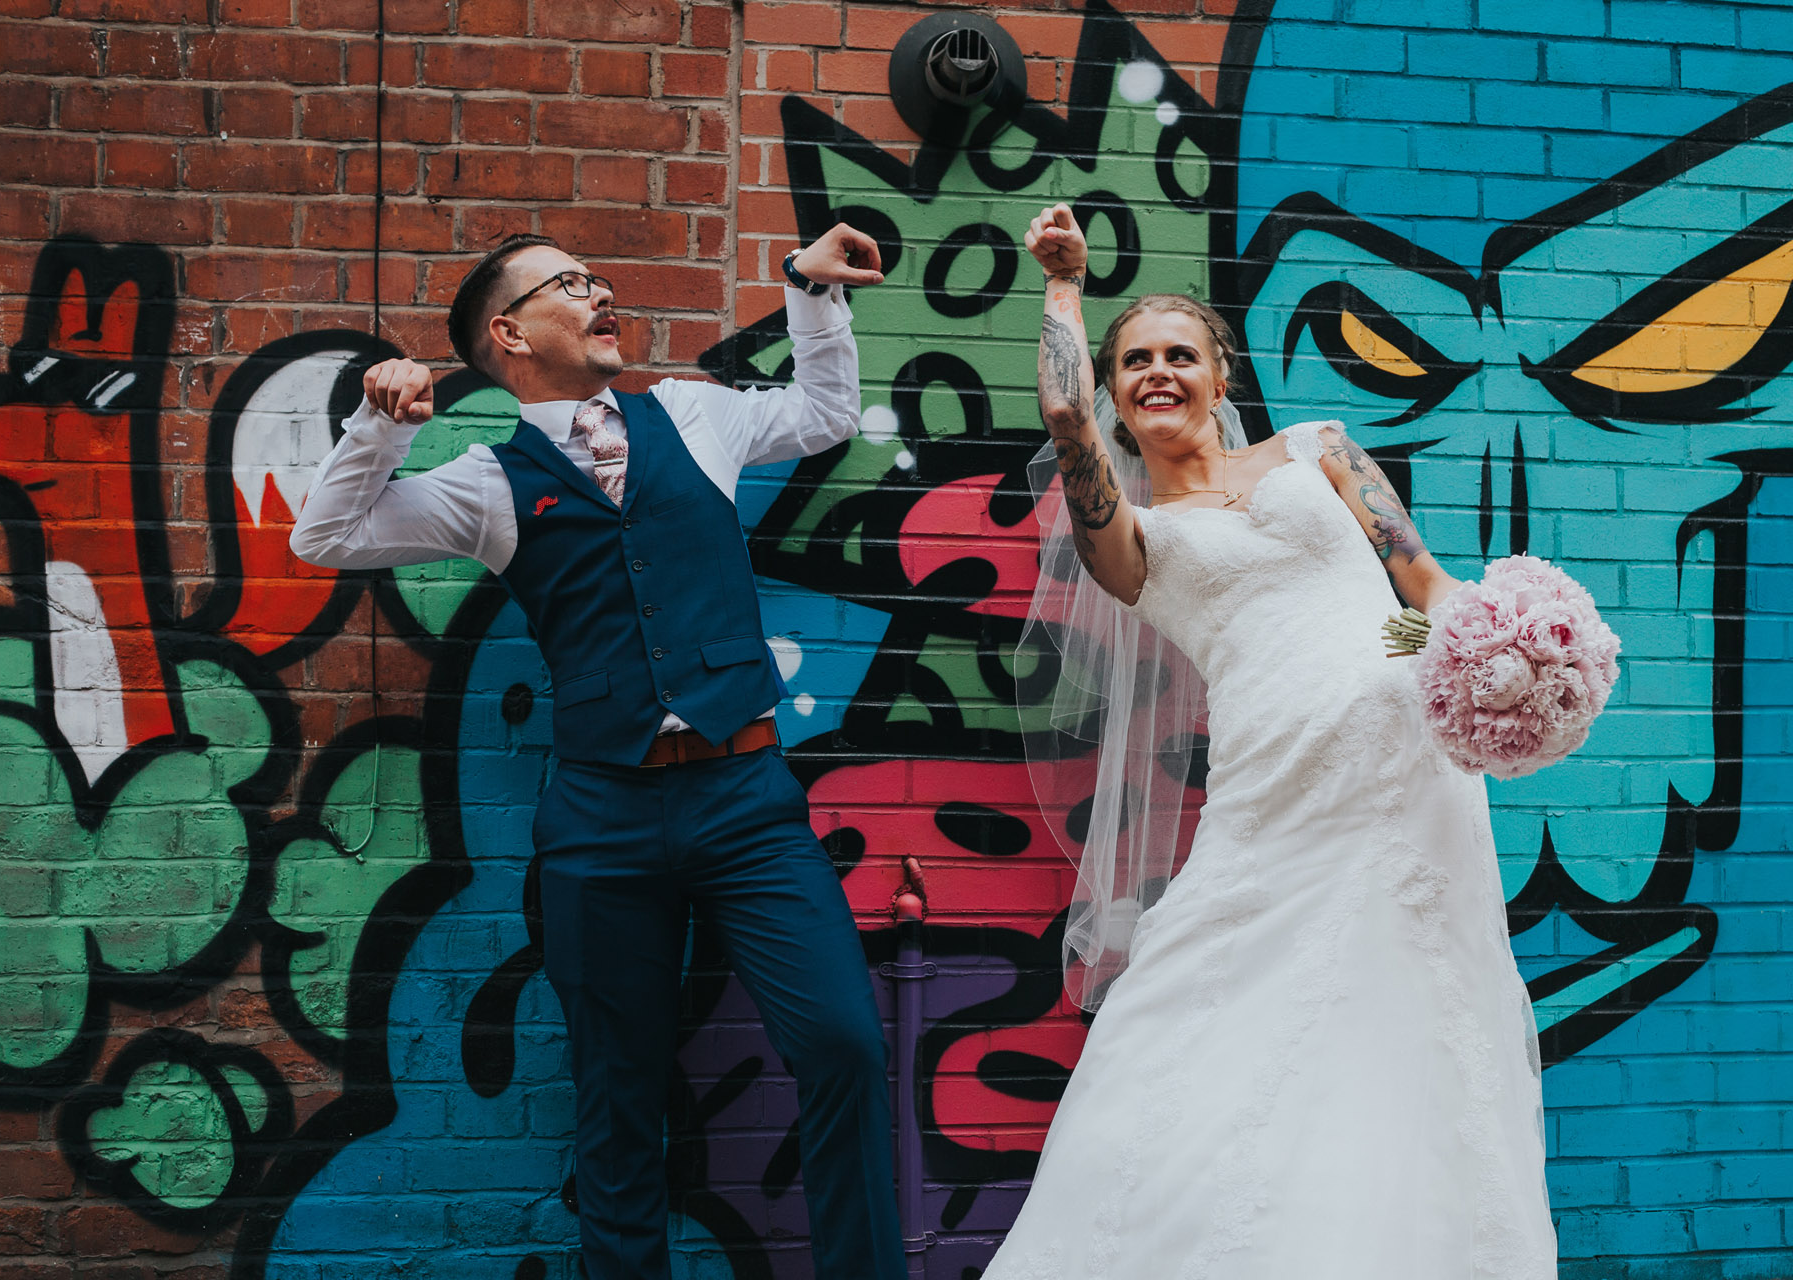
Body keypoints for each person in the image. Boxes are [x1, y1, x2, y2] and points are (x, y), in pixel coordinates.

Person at [289, 226, 907, 1280]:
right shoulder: (488, 480)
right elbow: (327, 536)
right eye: (569, 284)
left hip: (744, 799)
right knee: (618, 1095)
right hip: (600, 818)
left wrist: (806, 289)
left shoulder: (693, 410)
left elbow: (824, 413)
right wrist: (376, 426)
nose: (600, 292)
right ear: (509, 332)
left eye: (598, 278)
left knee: (844, 1039)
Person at [984, 204, 1558, 1277]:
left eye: (1180, 354)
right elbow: (1064, 417)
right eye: (1135, 361)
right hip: (1272, 796)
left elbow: (1420, 589)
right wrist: (1064, 287)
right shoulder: (1135, 540)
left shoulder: (1320, 449)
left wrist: (1503, 669)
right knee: (1191, 1006)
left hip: (1408, 778)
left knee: (1415, 1014)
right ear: (1114, 389)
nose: (1158, 373)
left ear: (1220, 371)